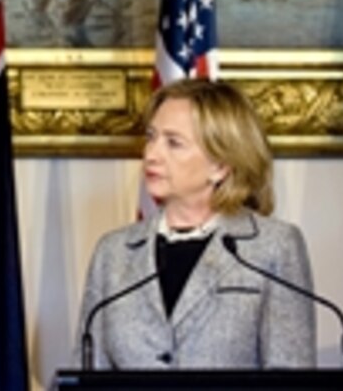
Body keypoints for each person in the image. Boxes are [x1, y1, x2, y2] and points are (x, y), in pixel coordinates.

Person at [75, 78, 316, 369]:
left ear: (220, 166)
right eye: (151, 137)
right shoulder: (113, 253)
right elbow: (87, 374)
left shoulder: (274, 247)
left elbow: (291, 378)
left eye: (173, 143)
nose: (151, 154)